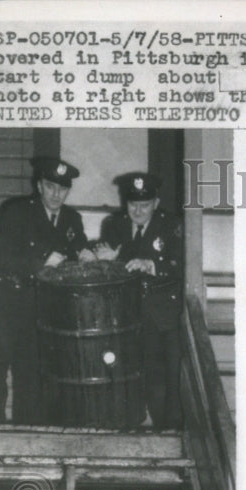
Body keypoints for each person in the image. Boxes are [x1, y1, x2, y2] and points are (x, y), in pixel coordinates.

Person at [0, 157, 88, 425]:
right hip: (5, 299)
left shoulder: (72, 218)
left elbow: (80, 248)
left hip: (39, 306)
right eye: (50, 187)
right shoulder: (16, 211)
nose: (56, 194)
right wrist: (40, 263)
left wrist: (90, 254)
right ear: (39, 186)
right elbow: (1, 257)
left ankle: (26, 432)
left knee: (31, 371)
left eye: (62, 189)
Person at [97, 172, 184, 430]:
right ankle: (132, 427)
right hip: (127, 316)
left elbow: (182, 265)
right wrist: (105, 259)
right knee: (131, 375)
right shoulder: (114, 225)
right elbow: (107, 268)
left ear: (156, 203)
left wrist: (152, 264)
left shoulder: (172, 225)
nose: (138, 210)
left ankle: (170, 431)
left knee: (167, 377)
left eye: (144, 205)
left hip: (164, 315)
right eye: (132, 204)